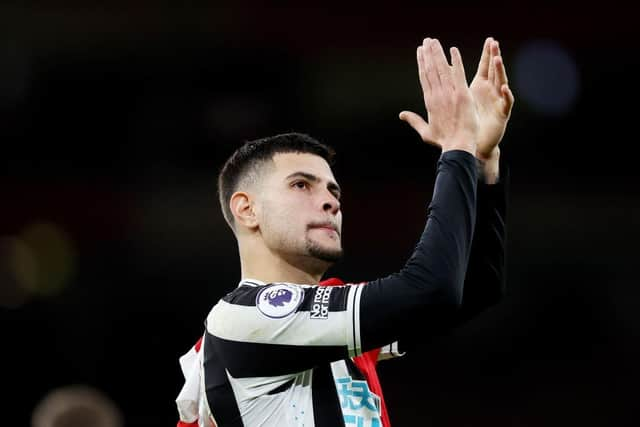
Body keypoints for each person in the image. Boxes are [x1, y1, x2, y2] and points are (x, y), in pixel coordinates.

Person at [175, 36, 514, 427]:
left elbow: (477, 287)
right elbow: (430, 289)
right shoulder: (244, 317)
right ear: (247, 209)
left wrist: (483, 161)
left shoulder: (329, 324)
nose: (331, 202)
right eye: (301, 185)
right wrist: (457, 147)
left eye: (333, 190)